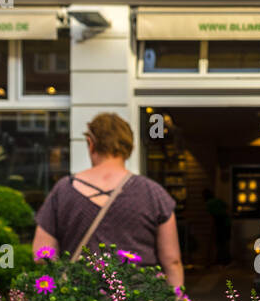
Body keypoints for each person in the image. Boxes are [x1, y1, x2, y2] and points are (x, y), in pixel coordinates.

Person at [33, 112, 184, 289]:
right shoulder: (153, 192)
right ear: (130, 147)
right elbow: (172, 261)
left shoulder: (64, 190)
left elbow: (41, 254)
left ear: (91, 143)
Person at [203, 187, 232, 265]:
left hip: (220, 222)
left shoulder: (209, 203)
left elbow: (212, 216)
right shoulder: (218, 200)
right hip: (226, 222)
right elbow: (227, 207)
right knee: (225, 242)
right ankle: (225, 259)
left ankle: (221, 260)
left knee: (220, 242)